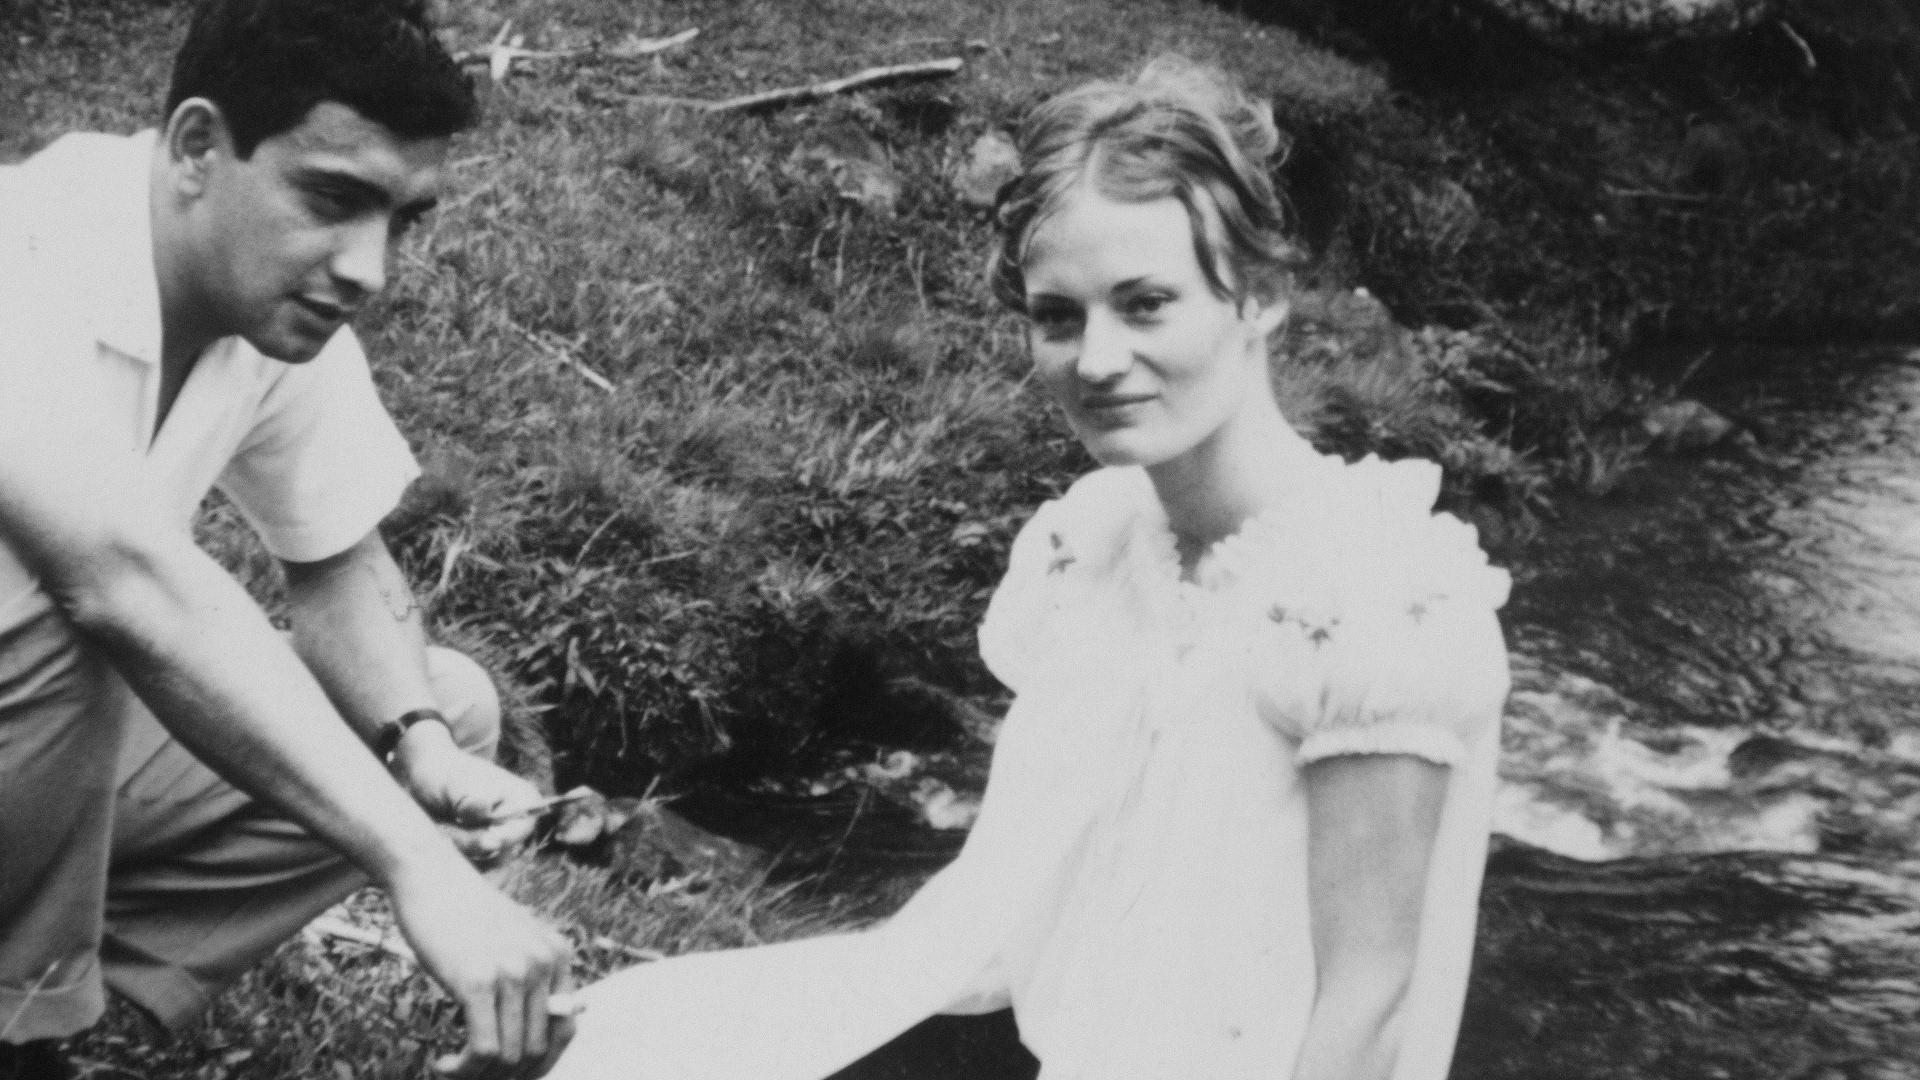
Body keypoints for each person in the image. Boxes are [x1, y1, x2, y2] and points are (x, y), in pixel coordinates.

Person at [546, 56, 1511, 1080]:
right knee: (634, 1045)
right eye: (1060, 316)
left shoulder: (1370, 591)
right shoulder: (1092, 542)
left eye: (1146, 304)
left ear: (1260, 298)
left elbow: (1372, 996)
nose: (1096, 359)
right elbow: (1018, 892)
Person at [0, 1, 577, 1076]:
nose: (370, 268)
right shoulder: (20, 250)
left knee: (447, 705)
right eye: (334, 200)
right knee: (84, 630)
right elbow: (124, 584)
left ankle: (52, 994)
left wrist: (421, 748)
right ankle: (24, 1020)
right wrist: (419, 868)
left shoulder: (259, 297)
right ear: (197, 148)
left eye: (402, 220)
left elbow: (339, 560)